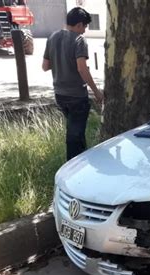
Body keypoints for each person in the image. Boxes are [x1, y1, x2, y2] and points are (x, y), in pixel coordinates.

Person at [42, 7, 103, 161]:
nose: (84, 31)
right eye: (85, 27)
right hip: (76, 96)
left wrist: (60, 60)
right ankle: (73, 166)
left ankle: (81, 161)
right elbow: (82, 69)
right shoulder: (79, 40)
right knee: (74, 135)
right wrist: (96, 91)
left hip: (60, 94)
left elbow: (45, 66)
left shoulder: (52, 37)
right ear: (79, 25)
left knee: (75, 130)